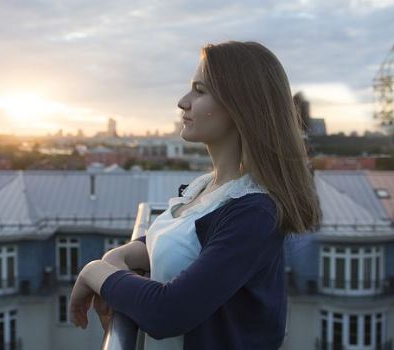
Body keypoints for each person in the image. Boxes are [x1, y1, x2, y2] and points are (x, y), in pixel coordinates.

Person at [69, 40, 322, 349]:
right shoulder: (208, 186)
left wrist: (94, 271)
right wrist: (118, 255)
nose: (182, 102)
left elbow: (167, 312)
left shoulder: (254, 211)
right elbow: (182, 240)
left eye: (199, 91)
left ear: (240, 107)